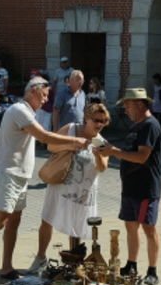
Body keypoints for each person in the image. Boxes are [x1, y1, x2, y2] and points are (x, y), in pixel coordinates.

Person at [0, 77, 88, 285]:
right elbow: (44, 136)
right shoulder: (19, 110)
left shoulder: (28, 111)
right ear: (33, 91)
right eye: (43, 95)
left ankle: (7, 267)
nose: (45, 100)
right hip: (7, 173)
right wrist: (74, 141)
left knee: (13, 221)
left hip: (19, 176)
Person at [30, 102, 111, 274]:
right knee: (48, 219)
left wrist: (98, 155)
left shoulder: (102, 142)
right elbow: (51, 146)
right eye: (96, 120)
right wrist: (72, 144)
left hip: (83, 190)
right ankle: (40, 257)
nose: (99, 124)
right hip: (61, 183)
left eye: (103, 121)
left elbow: (103, 168)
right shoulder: (71, 129)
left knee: (77, 226)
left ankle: (75, 261)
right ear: (87, 118)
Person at [99, 88, 161, 280]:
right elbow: (128, 152)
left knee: (148, 228)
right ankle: (131, 264)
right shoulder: (136, 125)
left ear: (140, 104)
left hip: (145, 187)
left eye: (127, 105)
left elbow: (142, 156)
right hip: (130, 186)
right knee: (130, 226)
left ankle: (152, 271)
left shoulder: (150, 126)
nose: (125, 110)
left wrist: (113, 152)